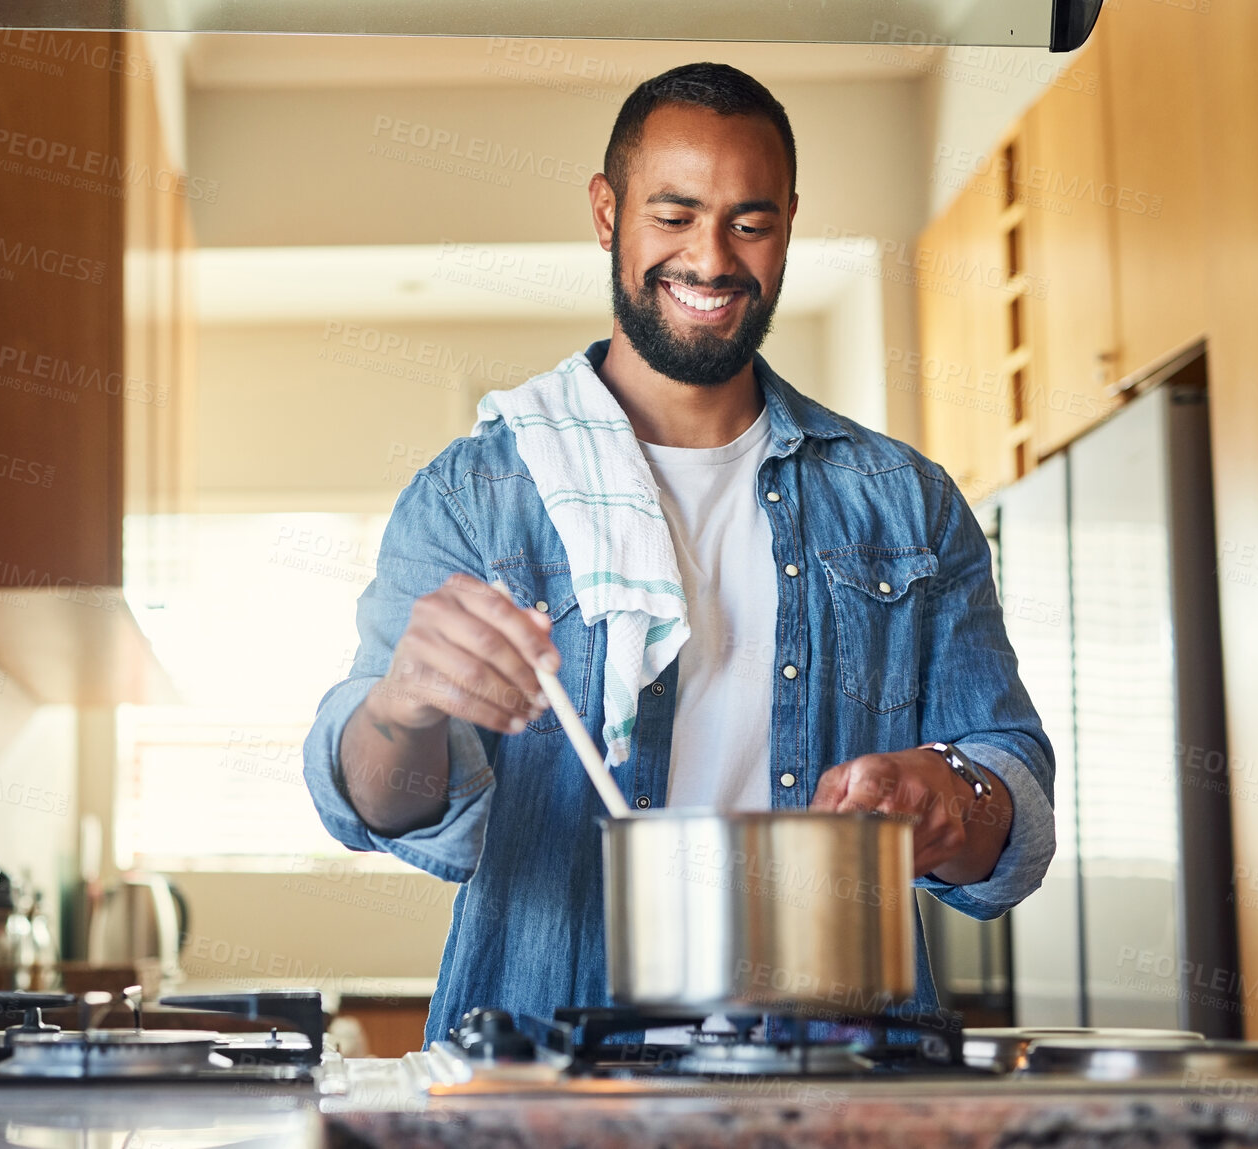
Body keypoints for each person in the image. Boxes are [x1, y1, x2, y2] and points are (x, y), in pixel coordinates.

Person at [302, 62, 1055, 1046]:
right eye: (673, 215)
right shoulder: (477, 493)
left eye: (748, 221)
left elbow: (1014, 797)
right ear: (606, 212)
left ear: (787, 221)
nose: (710, 258)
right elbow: (376, 810)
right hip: (541, 1069)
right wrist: (402, 708)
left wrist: (950, 798)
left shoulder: (901, 499)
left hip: (848, 1077)